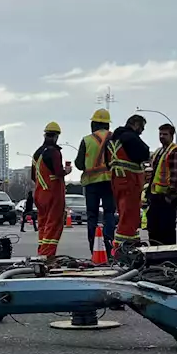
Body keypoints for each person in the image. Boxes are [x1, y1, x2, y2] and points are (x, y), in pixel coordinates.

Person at [107, 114, 150, 253]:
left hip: (117, 182)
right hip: (129, 183)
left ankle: (132, 246)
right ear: (135, 124)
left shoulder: (111, 141)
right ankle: (121, 251)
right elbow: (144, 152)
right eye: (142, 127)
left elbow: (107, 162)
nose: (142, 131)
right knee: (128, 218)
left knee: (127, 216)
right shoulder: (130, 137)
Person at [74, 108, 116, 251]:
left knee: (92, 215)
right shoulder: (115, 138)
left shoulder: (87, 140)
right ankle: (109, 245)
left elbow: (79, 164)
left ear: (95, 124)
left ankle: (95, 247)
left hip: (92, 184)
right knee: (109, 213)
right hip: (110, 182)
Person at [32, 121, 71, 258]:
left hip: (39, 192)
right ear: (56, 136)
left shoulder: (37, 153)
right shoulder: (54, 152)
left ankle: (41, 252)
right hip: (52, 193)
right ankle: (47, 255)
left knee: (43, 224)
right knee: (54, 224)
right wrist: (67, 171)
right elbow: (58, 172)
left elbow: (33, 175)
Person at [146, 123, 177, 246]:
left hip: (167, 197)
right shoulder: (158, 152)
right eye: (160, 134)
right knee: (153, 228)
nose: (162, 137)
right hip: (155, 196)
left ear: (171, 135)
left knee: (166, 230)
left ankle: (167, 257)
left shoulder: (176, 152)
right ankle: (155, 255)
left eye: (165, 134)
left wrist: (170, 196)